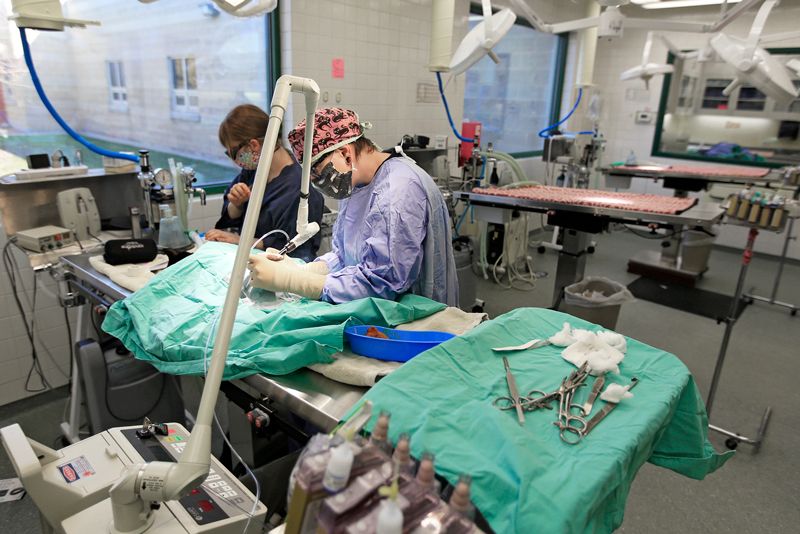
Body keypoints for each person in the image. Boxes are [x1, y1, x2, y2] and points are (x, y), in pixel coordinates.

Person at [247, 107, 458, 306]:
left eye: (317, 171)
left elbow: (382, 283)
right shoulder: (355, 183)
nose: (317, 181)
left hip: (415, 322)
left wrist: (294, 282)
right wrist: (304, 270)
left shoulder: (398, 191)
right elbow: (343, 257)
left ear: (346, 154)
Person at [205, 104, 324, 262]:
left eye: (233, 152)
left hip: (279, 271)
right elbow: (230, 215)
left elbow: (291, 250)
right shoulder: (253, 170)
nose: (234, 160)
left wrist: (239, 240)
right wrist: (236, 204)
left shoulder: (298, 190)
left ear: (253, 145)